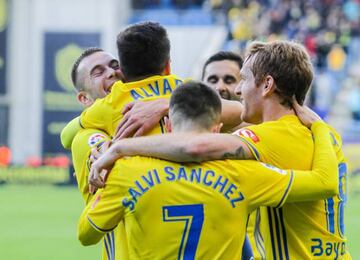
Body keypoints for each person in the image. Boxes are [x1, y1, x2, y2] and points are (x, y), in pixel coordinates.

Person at [89, 41, 350, 259]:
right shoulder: (320, 131)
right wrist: (167, 103)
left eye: (243, 79)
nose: (237, 89)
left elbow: (197, 146)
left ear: (267, 85)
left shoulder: (271, 136)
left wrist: (119, 148)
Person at [63, 47, 129, 260]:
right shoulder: (87, 137)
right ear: (84, 99)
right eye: (98, 72)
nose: (111, 72)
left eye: (114, 65)